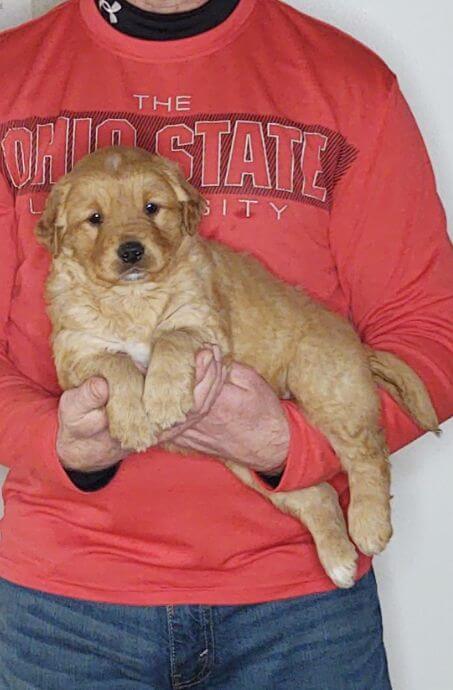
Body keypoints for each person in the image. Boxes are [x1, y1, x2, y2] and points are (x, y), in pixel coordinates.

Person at [0, 1, 451, 688]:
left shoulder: (346, 80)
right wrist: (53, 444)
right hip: (63, 610)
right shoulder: (10, 75)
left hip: (301, 615)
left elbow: (431, 329)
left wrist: (293, 447)